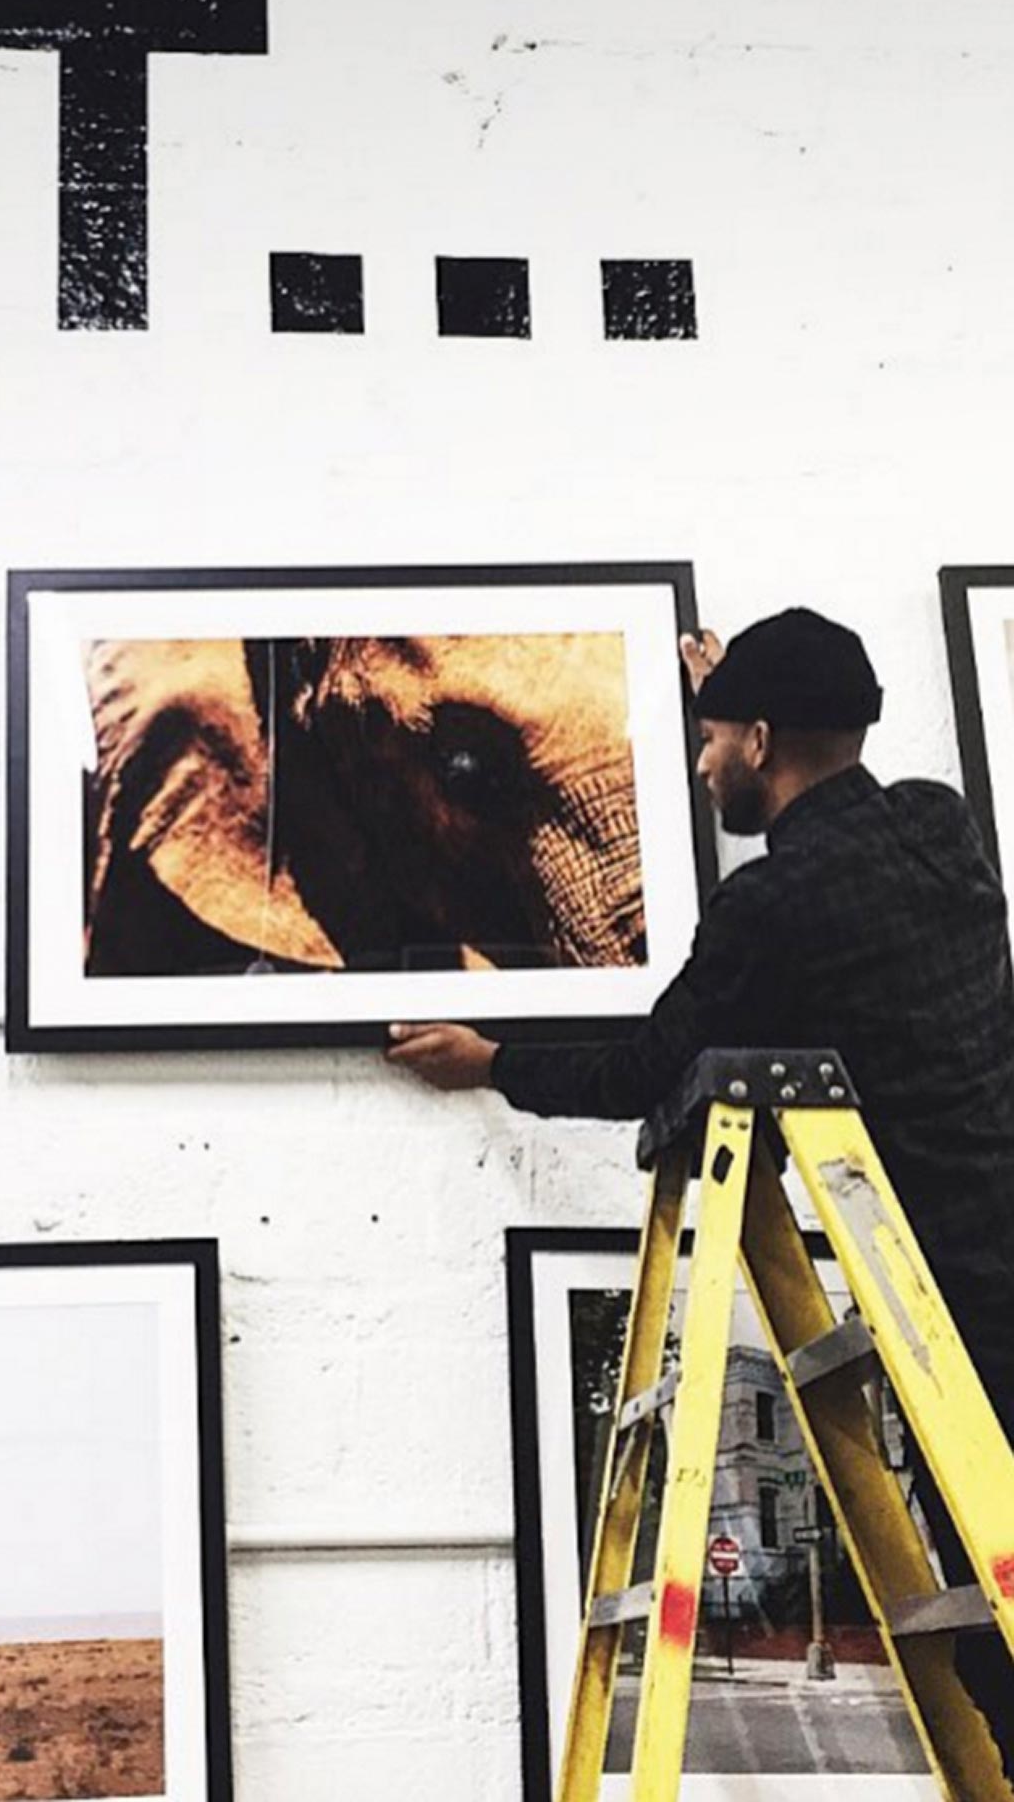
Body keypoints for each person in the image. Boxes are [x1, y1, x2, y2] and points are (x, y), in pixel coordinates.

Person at [387, 605, 1014, 1777]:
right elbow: (827, 806)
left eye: (715, 737)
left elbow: (644, 1066)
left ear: (764, 738)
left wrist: (493, 1065)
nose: (701, 758)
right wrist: (743, 688)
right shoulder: (944, 829)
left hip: (955, 1325)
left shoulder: (770, 910)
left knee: (995, 1626)